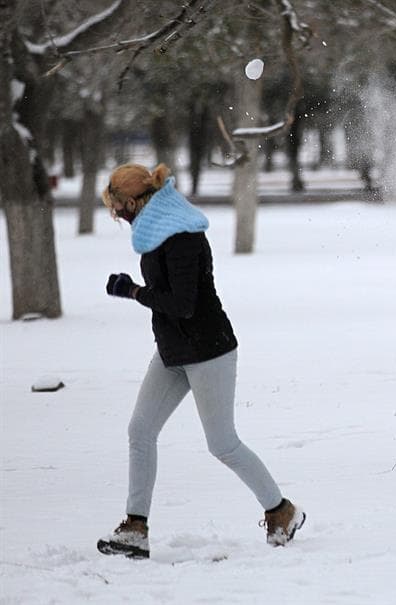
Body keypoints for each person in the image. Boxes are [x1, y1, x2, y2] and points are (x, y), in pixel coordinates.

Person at [96, 163, 305, 559]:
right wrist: (140, 292)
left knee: (223, 444)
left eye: (119, 208)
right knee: (140, 430)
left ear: (135, 201)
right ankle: (135, 528)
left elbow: (183, 304)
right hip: (173, 351)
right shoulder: (157, 231)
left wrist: (134, 292)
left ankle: (281, 510)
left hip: (209, 351)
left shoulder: (183, 237)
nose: (119, 216)